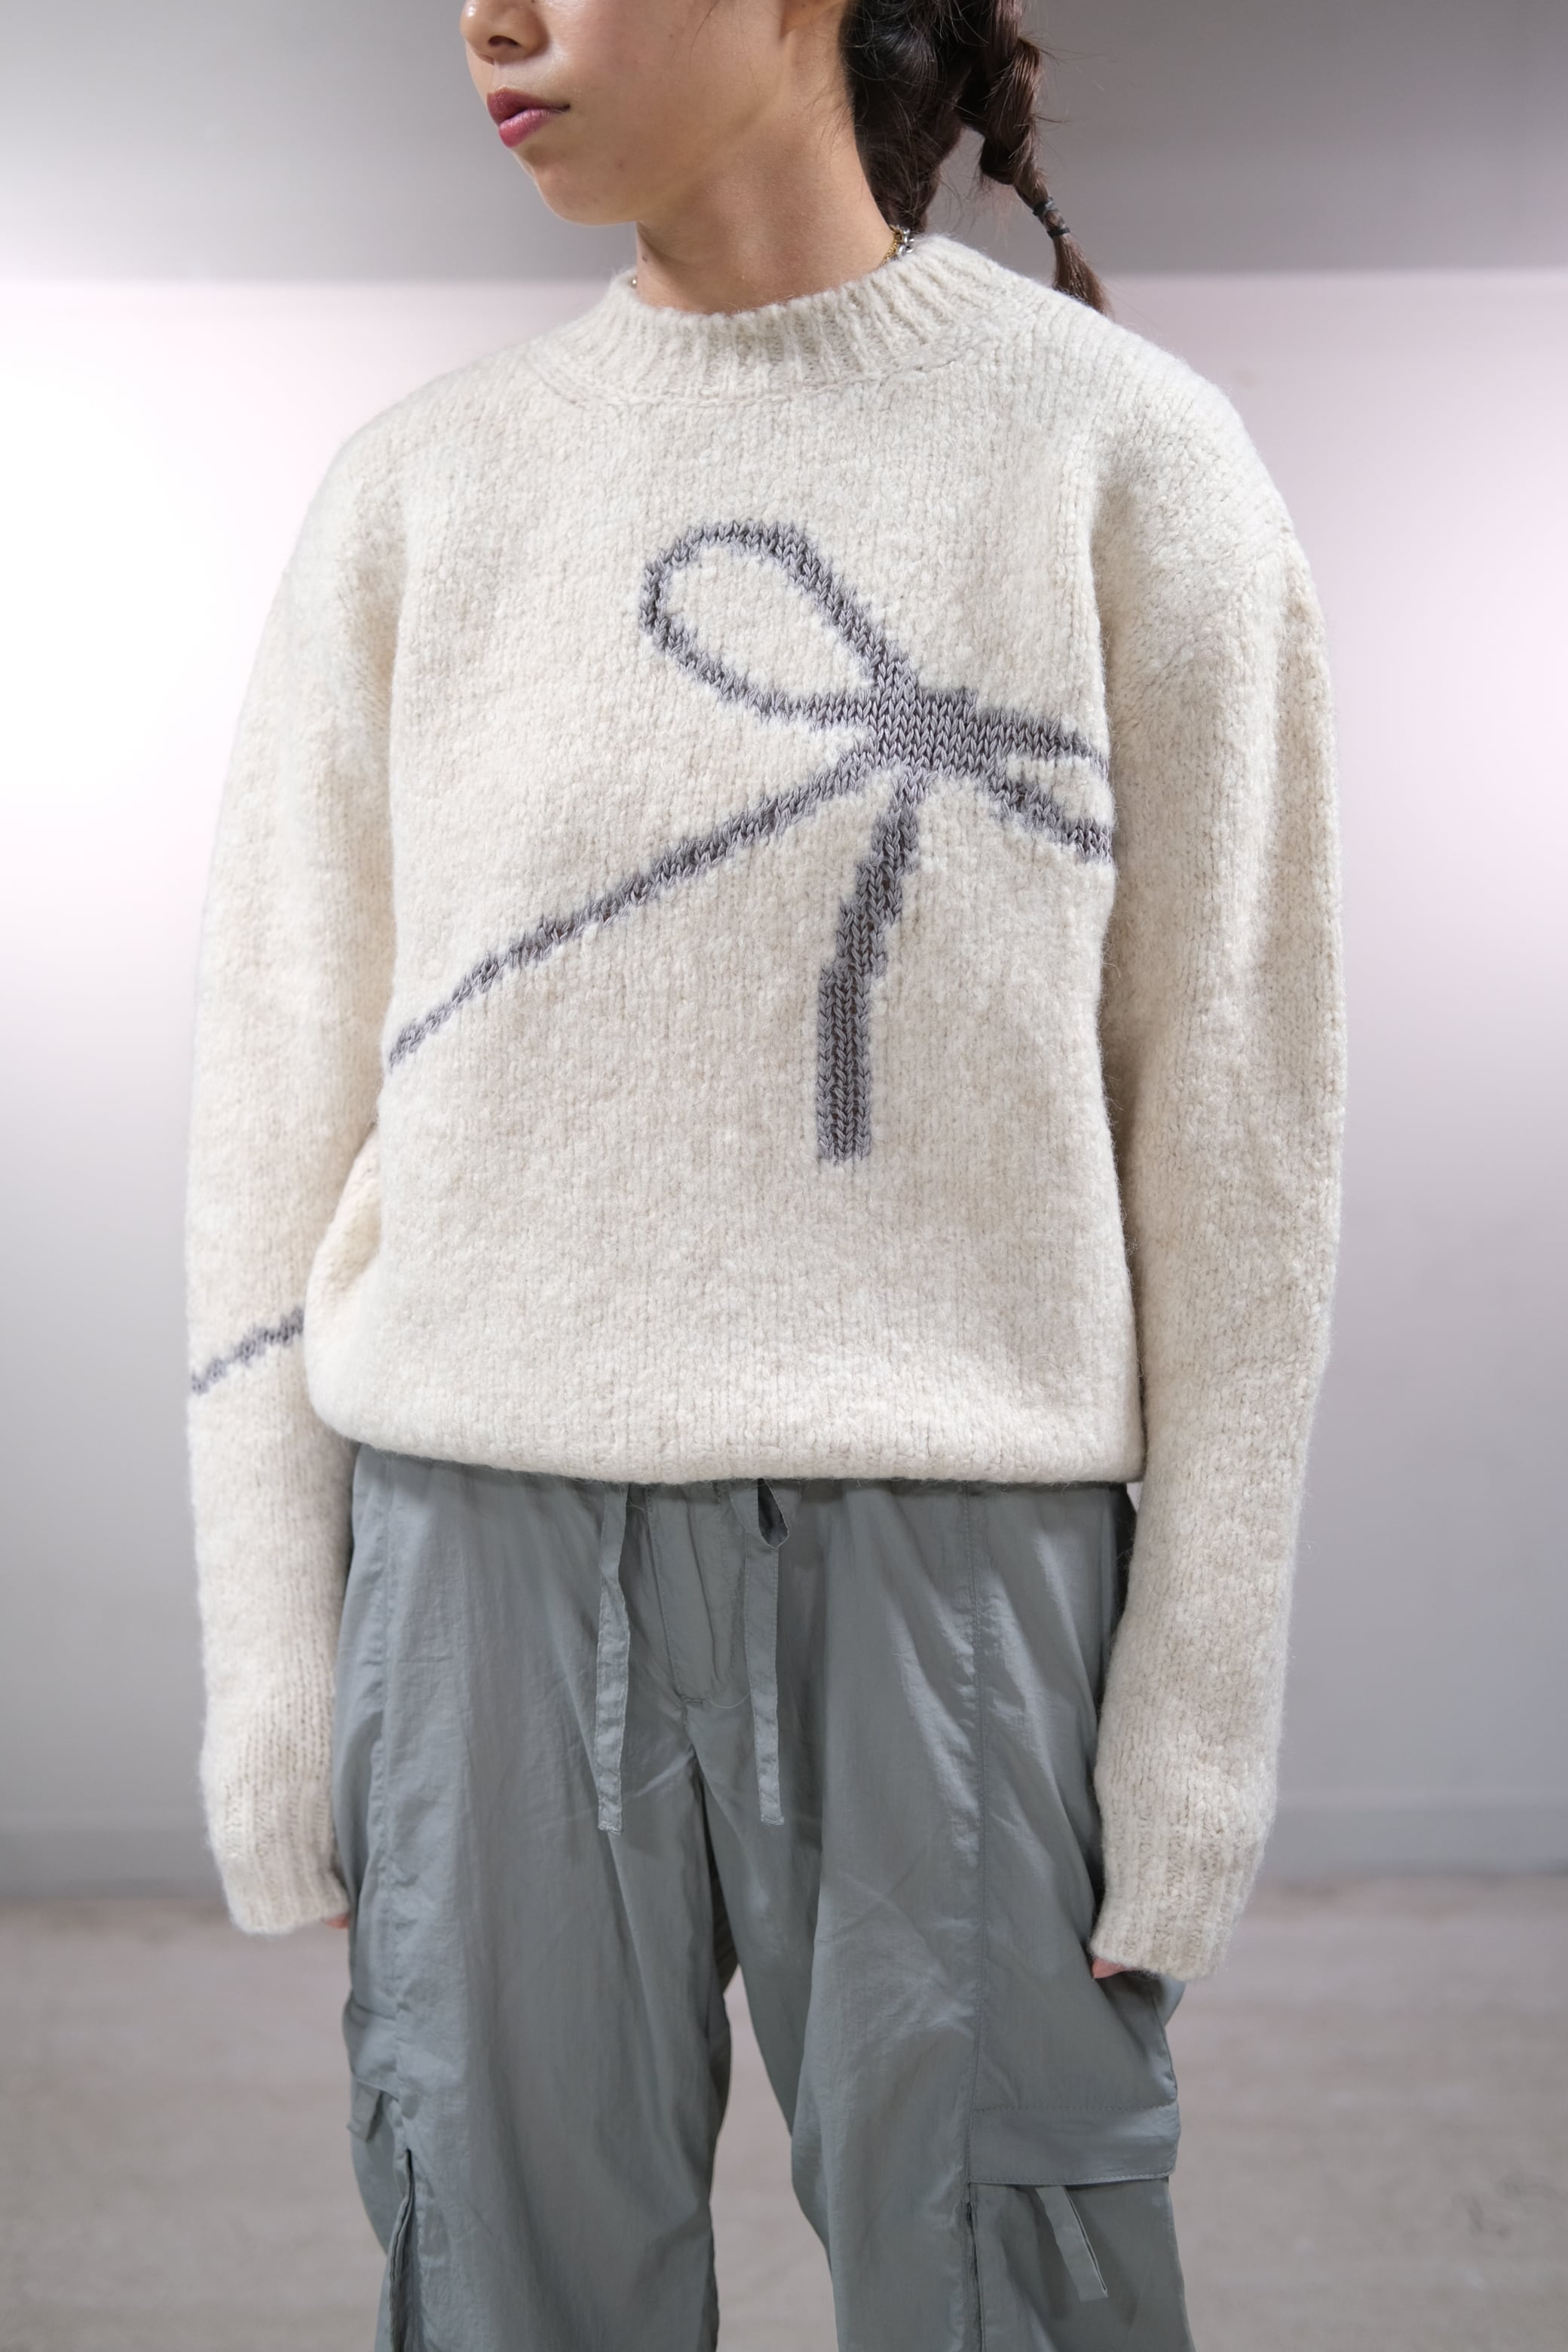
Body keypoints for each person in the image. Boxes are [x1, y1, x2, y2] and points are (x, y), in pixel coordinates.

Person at [184, 0, 1345, 2344]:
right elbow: (274, 1098)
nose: (491, 17)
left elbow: (1239, 1135)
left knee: (1011, 2283)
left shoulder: (1121, 458)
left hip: (960, 1580)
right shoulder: (421, 495)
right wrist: (273, 1669)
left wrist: (1198, 1717)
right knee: (501, 2286)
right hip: (474, 1568)